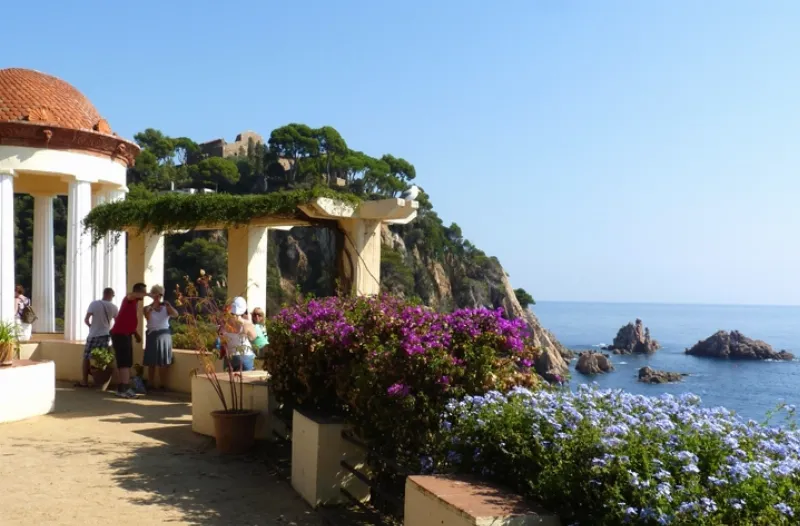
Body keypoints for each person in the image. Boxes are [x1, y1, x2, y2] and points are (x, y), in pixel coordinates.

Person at [110, 283, 150, 398]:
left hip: (125, 334)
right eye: (143, 291)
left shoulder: (135, 303)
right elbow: (131, 295)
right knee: (124, 363)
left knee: (126, 363)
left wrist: (135, 333)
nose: (144, 295)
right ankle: (124, 389)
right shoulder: (129, 299)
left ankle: (122, 388)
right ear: (138, 291)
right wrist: (149, 294)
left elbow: (128, 320)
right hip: (120, 334)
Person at [76, 288, 118, 388]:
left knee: (86, 358)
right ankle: (101, 383)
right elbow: (118, 322)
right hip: (105, 335)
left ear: (104, 294)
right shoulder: (114, 307)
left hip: (93, 335)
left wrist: (91, 326)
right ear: (111, 295)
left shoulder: (94, 304)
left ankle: (85, 381)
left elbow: (86, 319)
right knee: (102, 359)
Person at [143, 285, 178, 391]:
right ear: (153, 295)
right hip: (152, 334)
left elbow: (176, 315)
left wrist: (169, 306)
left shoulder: (165, 308)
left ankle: (163, 385)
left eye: (160, 295)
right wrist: (152, 307)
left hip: (164, 334)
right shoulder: (147, 308)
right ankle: (150, 383)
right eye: (156, 294)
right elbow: (148, 318)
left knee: (163, 362)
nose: (158, 297)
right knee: (151, 362)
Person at [221, 296, 257, 371]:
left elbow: (222, 339)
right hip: (245, 356)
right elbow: (253, 337)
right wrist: (249, 320)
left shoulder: (224, 323)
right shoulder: (246, 323)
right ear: (244, 310)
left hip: (230, 357)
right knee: (246, 382)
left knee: (230, 382)